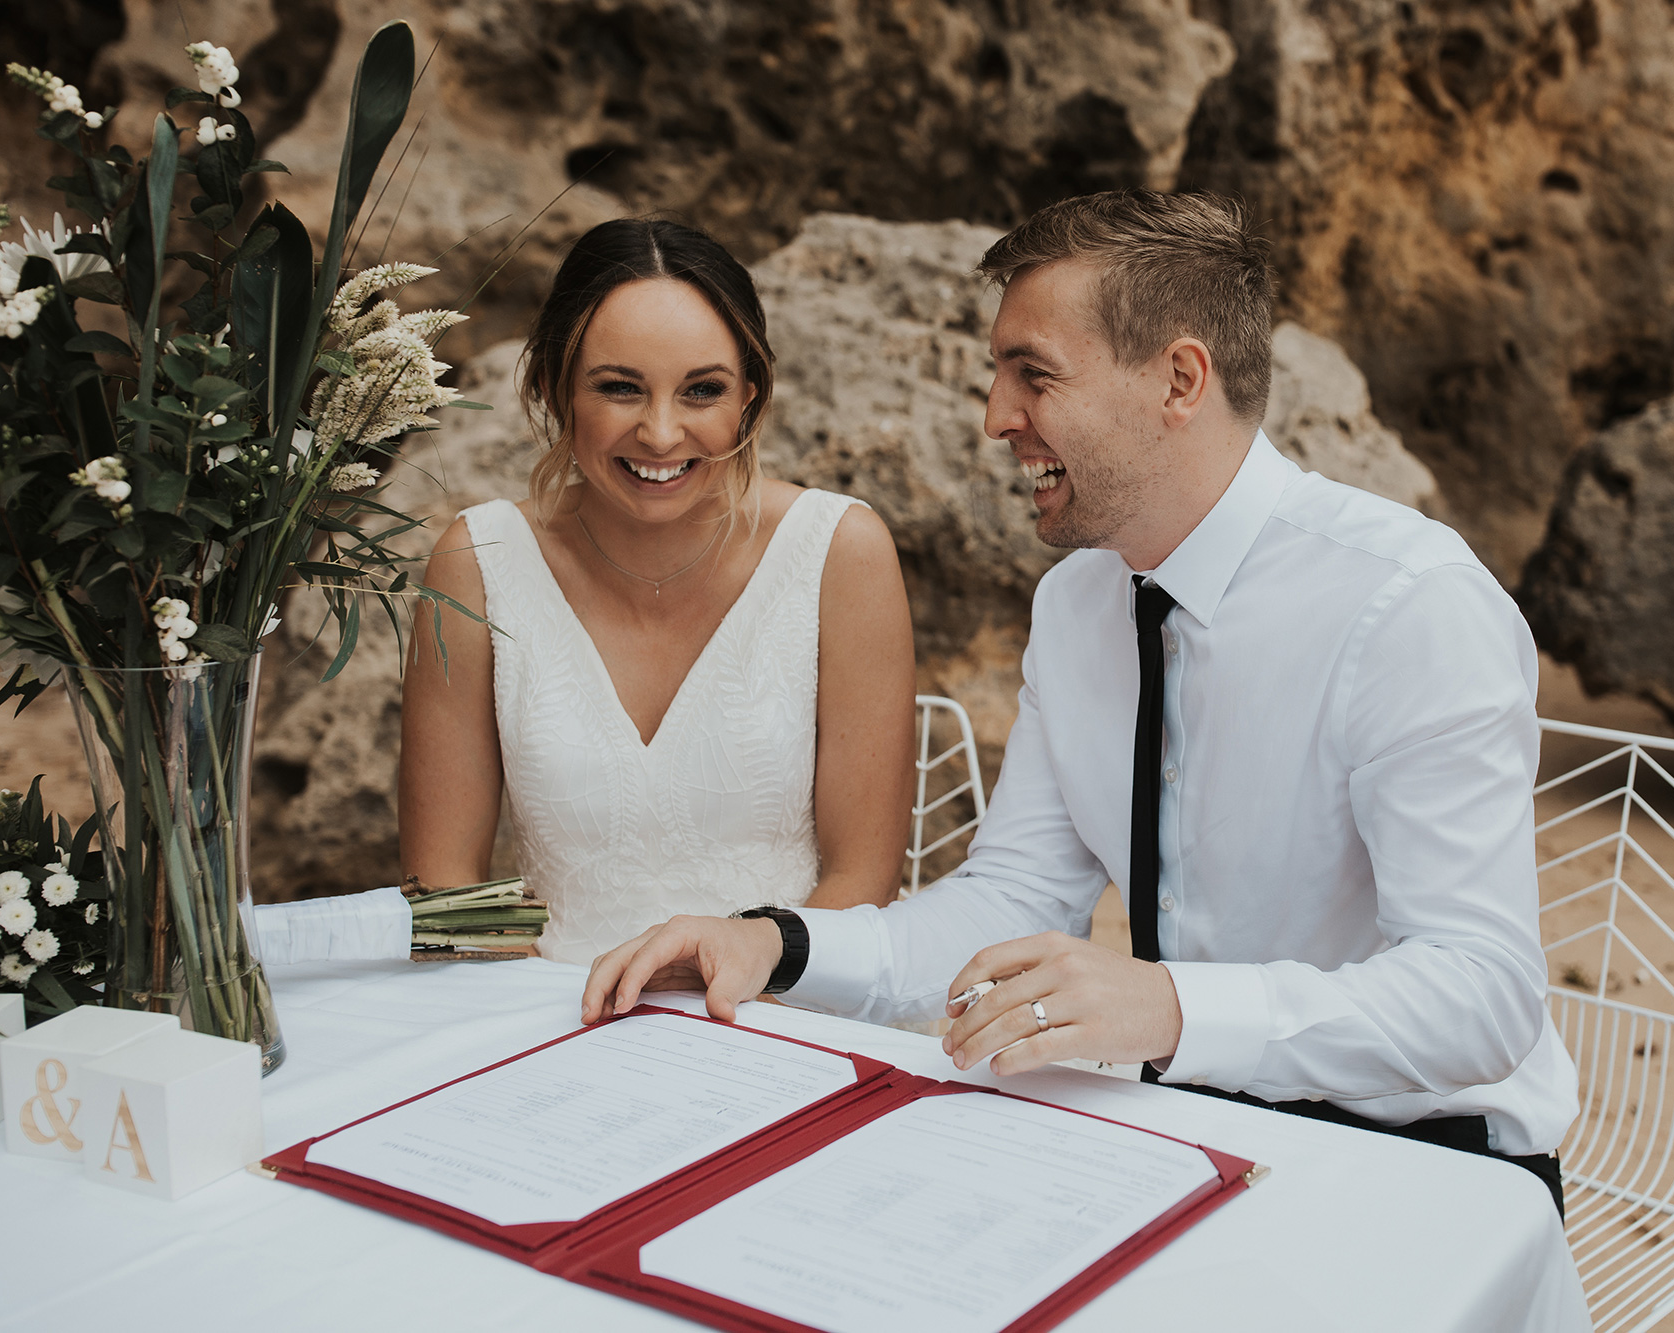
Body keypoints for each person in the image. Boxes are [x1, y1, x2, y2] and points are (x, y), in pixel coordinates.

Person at [580, 191, 1578, 1211]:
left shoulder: (1408, 602)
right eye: (997, 374)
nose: (995, 418)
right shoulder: (1074, 606)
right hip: (1192, 1131)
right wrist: (772, 942)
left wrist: (1166, 1007)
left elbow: (1480, 991)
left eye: (1033, 374)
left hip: (1432, 1161)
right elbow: (1010, 897)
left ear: (1177, 380)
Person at [400, 218, 916, 965]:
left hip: (783, 1019)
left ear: (750, 396)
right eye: (620, 388)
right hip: (549, 1024)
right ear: (553, 388)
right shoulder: (477, 562)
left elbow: (862, 883)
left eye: (702, 390)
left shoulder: (840, 551)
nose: (663, 433)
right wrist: (532, 1026)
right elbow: (444, 892)